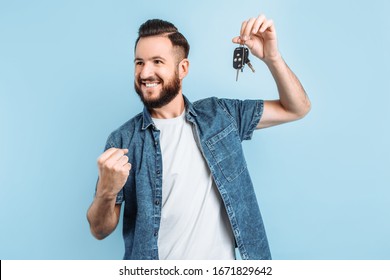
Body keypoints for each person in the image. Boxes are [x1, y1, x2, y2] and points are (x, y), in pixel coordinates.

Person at [87, 14, 311, 260]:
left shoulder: (221, 115)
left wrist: (272, 58)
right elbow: (99, 230)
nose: (145, 73)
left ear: (182, 68)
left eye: (157, 61)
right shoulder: (123, 141)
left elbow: (296, 108)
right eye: (139, 62)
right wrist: (106, 192)